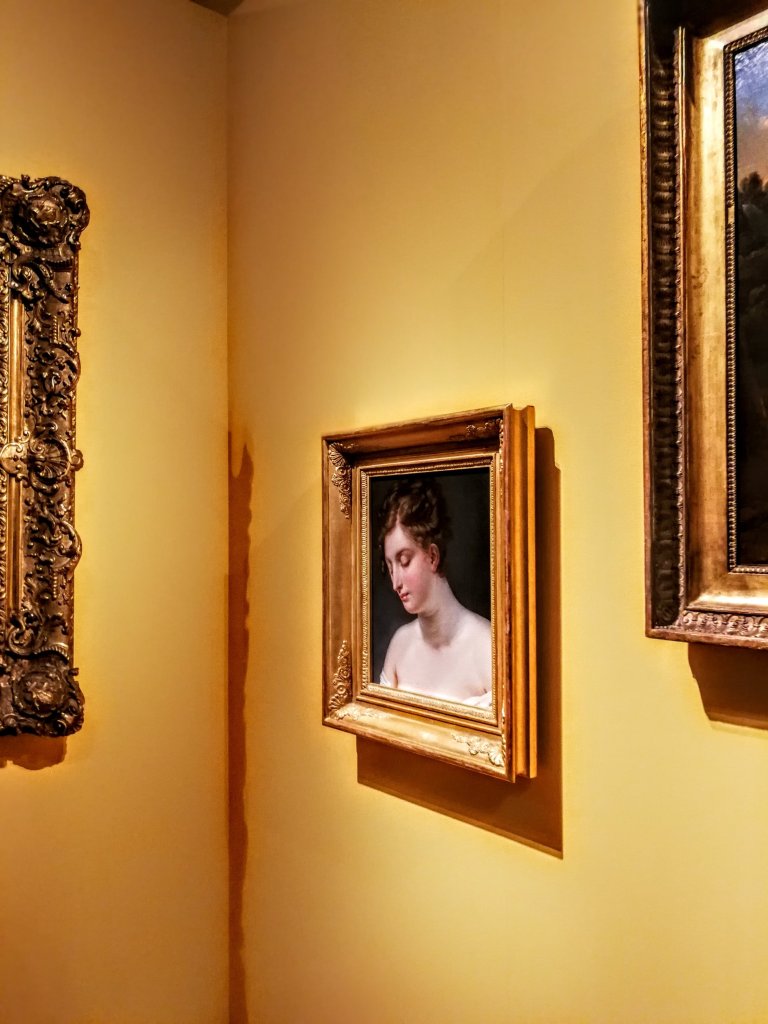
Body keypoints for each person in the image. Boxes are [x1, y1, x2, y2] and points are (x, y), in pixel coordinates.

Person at [376, 476, 492, 706]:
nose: (395, 582)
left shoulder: (486, 647)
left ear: (432, 556)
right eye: (390, 567)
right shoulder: (400, 644)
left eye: (404, 561)